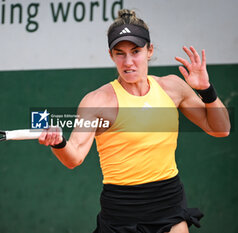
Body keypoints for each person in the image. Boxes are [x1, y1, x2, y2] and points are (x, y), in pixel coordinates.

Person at [38, 9, 231, 233]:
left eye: (136, 51)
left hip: (168, 203)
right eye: (120, 53)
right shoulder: (97, 101)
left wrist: (206, 90)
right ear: (111, 55)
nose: (128, 62)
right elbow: (74, 157)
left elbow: (221, 129)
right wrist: (59, 143)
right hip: (121, 211)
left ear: (149, 50)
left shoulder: (172, 88)